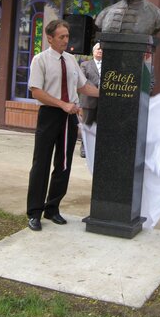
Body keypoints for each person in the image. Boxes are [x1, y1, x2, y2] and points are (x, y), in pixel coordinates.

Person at [26, 19, 99, 231]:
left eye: (67, 36)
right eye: (61, 37)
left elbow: (83, 86)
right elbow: (36, 91)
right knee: (41, 163)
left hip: (69, 117)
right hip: (50, 114)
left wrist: (107, 93)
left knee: (64, 164)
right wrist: (62, 104)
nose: (66, 40)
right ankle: (34, 213)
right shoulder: (40, 60)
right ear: (50, 38)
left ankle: (52, 208)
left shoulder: (70, 60)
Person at [79, 42, 103, 157]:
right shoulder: (85, 64)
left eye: (102, 49)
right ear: (93, 52)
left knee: (99, 126)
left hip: (103, 102)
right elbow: (83, 80)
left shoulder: (109, 65)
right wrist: (95, 89)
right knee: (87, 125)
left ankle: (96, 149)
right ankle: (84, 148)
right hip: (89, 100)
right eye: (98, 49)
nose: (100, 51)